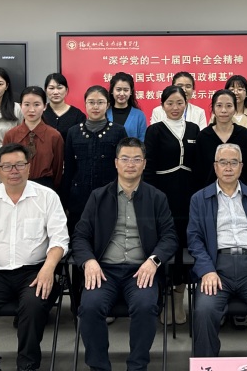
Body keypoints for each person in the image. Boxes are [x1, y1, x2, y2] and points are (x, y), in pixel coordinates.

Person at [0, 143, 69, 371]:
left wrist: (48, 269)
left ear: (29, 167)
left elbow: (60, 239)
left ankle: (27, 365)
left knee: (33, 305)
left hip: (35, 271)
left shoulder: (47, 197)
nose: (14, 171)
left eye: (19, 165)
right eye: (7, 166)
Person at [72, 137, 178, 371]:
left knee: (145, 307)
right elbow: (80, 236)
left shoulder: (156, 197)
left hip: (141, 271)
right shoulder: (98, 197)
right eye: (125, 159)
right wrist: (89, 261)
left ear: (144, 164)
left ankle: (137, 366)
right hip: (104, 271)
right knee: (89, 307)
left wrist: (154, 261)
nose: (131, 164)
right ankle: (99, 367)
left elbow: (170, 237)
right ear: (116, 163)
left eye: (136, 159)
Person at [188, 143, 247, 371]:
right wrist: (207, 270)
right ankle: (206, 367)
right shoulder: (200, 199)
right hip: (217, 268)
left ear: (241, 167)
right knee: (204, 311)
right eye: (223, 162)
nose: (228, 167)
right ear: (215, 166)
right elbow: (194, 240)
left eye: (233, 162)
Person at [143, 85, 200, 325]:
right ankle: (164, 297)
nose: (175, 108)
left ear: (186, 103)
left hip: (188, 198)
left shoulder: (195, 129)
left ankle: (179, 299)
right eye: (170, 103)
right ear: (162, 105)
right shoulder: (154, 130)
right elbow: (148, 168)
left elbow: (198, 165)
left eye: (179, 103)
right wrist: (151, 199)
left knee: (185, 246)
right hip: (162, 196)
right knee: (165, 243)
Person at [62, 86, 128, 233]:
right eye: (91, 102)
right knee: (80, 236)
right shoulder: (73, 132)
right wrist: (64, 201)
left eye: (100, 102)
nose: (95, 107)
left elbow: (124, 168)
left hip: (109, 196)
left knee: (108, 236)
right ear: (85, 104)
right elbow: (69, 170)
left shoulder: (118, 131)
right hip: (79, 198)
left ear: (108, 105)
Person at [4, 86, 64, 191]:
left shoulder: (54, 136)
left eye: (37, 104)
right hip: (16, 186)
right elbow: (5, 166)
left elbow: (57, 169)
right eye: (27, 104)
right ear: (20, 106)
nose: (31, 110)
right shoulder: (11, 135)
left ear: (45, 106)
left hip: (45, 187)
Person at [42, 72, 86, 142]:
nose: (55, 92)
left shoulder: (77, 115)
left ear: (66, 90)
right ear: (45, 91)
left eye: (59, 88)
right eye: (51, 88)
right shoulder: (40, 113)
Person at [106, 71, 148, 140]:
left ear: (131, 92)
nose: (122, 94)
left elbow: (142, 141)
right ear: (112, 91)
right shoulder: (105, 113)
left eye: (126, 90)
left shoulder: (139, 115)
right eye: (118, 90)